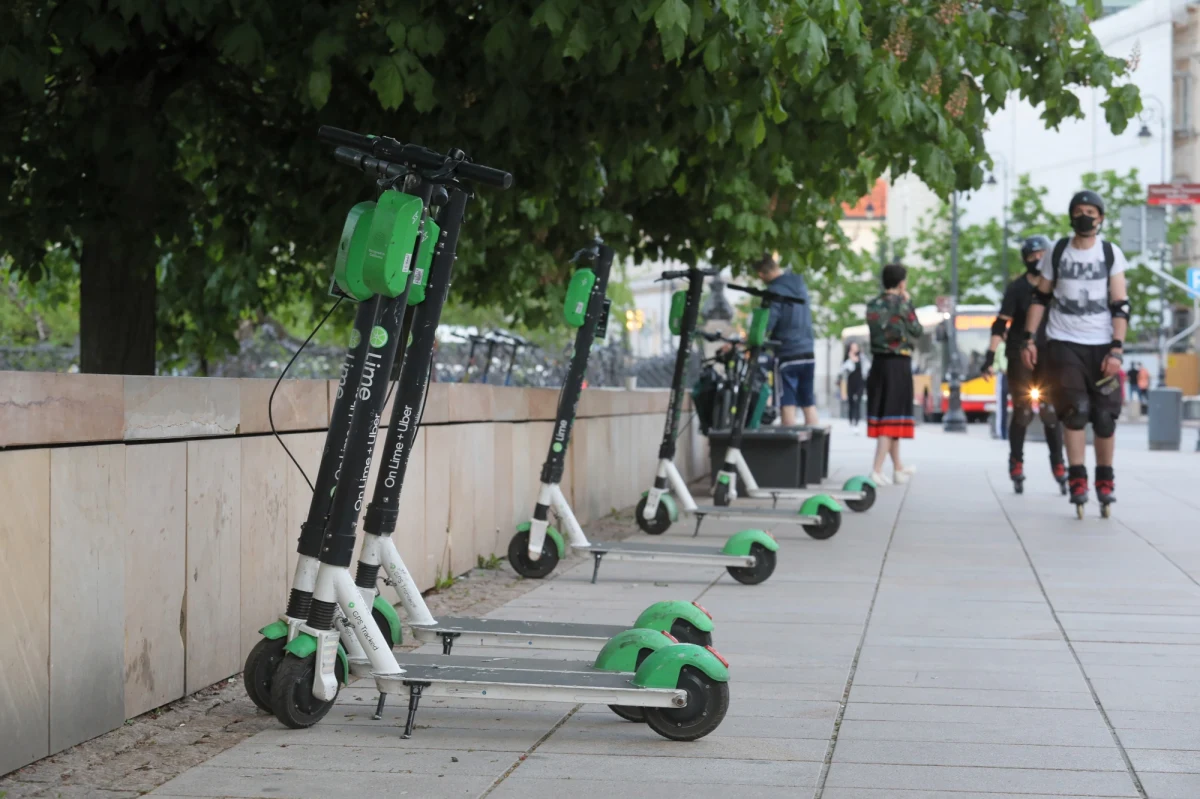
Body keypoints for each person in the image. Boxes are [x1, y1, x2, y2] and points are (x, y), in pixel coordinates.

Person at [1022, 190, 1129, 516]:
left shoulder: (1110, 253)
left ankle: (1105, 480)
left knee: (1104, 418)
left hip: (1101, 346)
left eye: (1090, 211)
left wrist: (1117, 348)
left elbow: (1120, 304)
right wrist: (1028, 339)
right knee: (1076, 411)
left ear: (1101, 218)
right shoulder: (1057, 251)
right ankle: (1078, 477)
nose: (1085, 216)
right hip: (1063, 343)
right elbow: (1040, 298)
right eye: (1079, 211)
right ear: (1071, 215)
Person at [982, 235, 1067, 493]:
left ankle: (1058, 464)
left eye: (1042, 254)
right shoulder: (1017, 288)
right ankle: (1016, 463)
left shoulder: (1056, 286)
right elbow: (1000, 323)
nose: (1038, 260)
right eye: (1032, 256)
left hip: (1048, 354)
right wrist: (990, 356)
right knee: (1023, 411)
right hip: (1019, 354)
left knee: (1050, 412)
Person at [865, 263, 923, 485]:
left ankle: (898, 467)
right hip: (898, 365)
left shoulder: (872, 305)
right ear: (901, 283)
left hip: (878, 364)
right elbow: (916, 329)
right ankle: (877, 469)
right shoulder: (903, 305)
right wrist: (908, 303)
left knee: (889, 417)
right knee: (891, 417)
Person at [754, 252, 817, 426]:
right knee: (808, 403)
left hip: (787, 353)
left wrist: (755, 340)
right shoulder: (799, 283)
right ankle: (814, 450)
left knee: (787, 403)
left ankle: (791, 451)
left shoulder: (773, 291)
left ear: (761, 274)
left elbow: (767, 323)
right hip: (808, 350)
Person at [840, 341, 866, 433]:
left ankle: (857, 422)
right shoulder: (847, 358)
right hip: (850, 383)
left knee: (857, 402)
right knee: (851, 402)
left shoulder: (862, 357)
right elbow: (843, 370)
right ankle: (851, 420)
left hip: (859, 383)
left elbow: (866, 368)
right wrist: (850, 359)